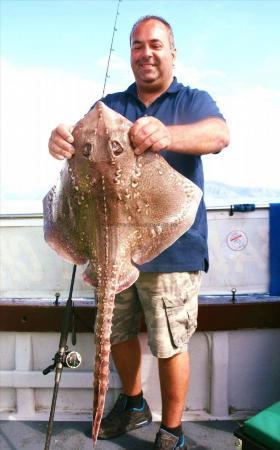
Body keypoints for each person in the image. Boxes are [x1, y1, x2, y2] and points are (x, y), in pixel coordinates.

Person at [48, 15, 229, 450]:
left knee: (169, 341)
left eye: (155, 45)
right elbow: (78, 151)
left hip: (175, 246)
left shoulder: (192, 99)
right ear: (129, 53)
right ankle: (132, 404)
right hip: (111, 246)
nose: (145, 54)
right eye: (136, 46)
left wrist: (169, 134)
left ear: (171, 51)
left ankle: (172, 428)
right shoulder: (111, 104)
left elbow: (219, 134)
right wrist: (60, 140)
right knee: (118, 331)